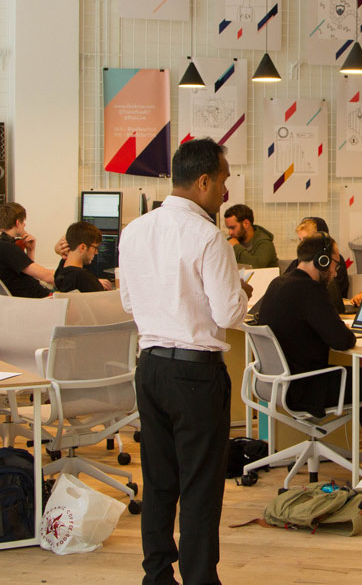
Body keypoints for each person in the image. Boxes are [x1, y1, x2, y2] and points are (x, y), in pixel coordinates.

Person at [118, 138, 252, 585]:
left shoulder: (133, 231)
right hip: (196, 372)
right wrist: (242, 293)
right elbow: (229, 314)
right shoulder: (208, 236)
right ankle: (199, 579)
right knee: (200, 483)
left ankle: (156, 575)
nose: (226, 193)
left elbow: (126, 301)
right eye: (224, 182)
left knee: (159, 478)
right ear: (203, 181)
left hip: (150, 366)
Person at [257, 234, 356, 417]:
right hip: (305, 387)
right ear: (322, 260)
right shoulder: (311, 290)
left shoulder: (278, 283)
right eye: (336, 264)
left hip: (274, 384)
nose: (335, 272)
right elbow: (342, 341)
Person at [0, 202, 53, 298]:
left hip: (24, 302)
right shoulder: (6, 248)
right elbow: (47, 276)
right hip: (39, 301)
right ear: (18, 223)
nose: (24, 225)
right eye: (23, 222)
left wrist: (30, 250)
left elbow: (27, 274)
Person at [296, 217, 351, 300]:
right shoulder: (298, 263)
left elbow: (337, 293)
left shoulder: (333, 261)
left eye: (306, 240)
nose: (302, 245)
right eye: (300, 240)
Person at [53, 221, 106, 293]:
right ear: (83, 247)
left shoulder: (60, 272)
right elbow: (104, 302)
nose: (96, 252)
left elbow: (71, 235)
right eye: (95, 248)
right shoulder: (84, 278)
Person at [223, 204, 279, 269]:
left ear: (246, 224)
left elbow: (256, 267)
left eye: (233, 228)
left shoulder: (264, 243)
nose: (230, 232)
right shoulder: (231, 241)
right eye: (228, 228)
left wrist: (236, 247)